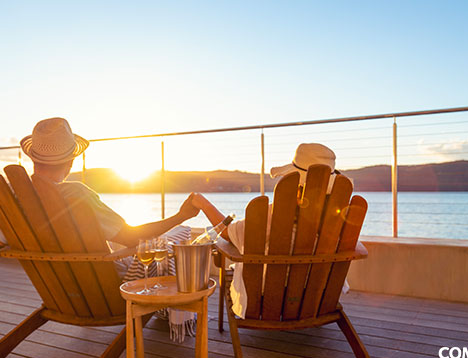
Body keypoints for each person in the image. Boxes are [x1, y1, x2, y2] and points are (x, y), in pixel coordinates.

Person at [16, 117, 200, 340]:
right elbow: (133, 238)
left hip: (60, 291)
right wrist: (181, 216)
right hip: (104, 289)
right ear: (71, 161)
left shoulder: (17, 201)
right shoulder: (75, 195)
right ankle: (176, 318)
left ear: (34, 159)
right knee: (178, 235)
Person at [191, 143, 349, 318]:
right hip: (317, 297)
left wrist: (202, 203)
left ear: (296, 187)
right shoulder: (337, 220)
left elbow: (228, 233)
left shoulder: (273, 215)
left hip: (267, 300)